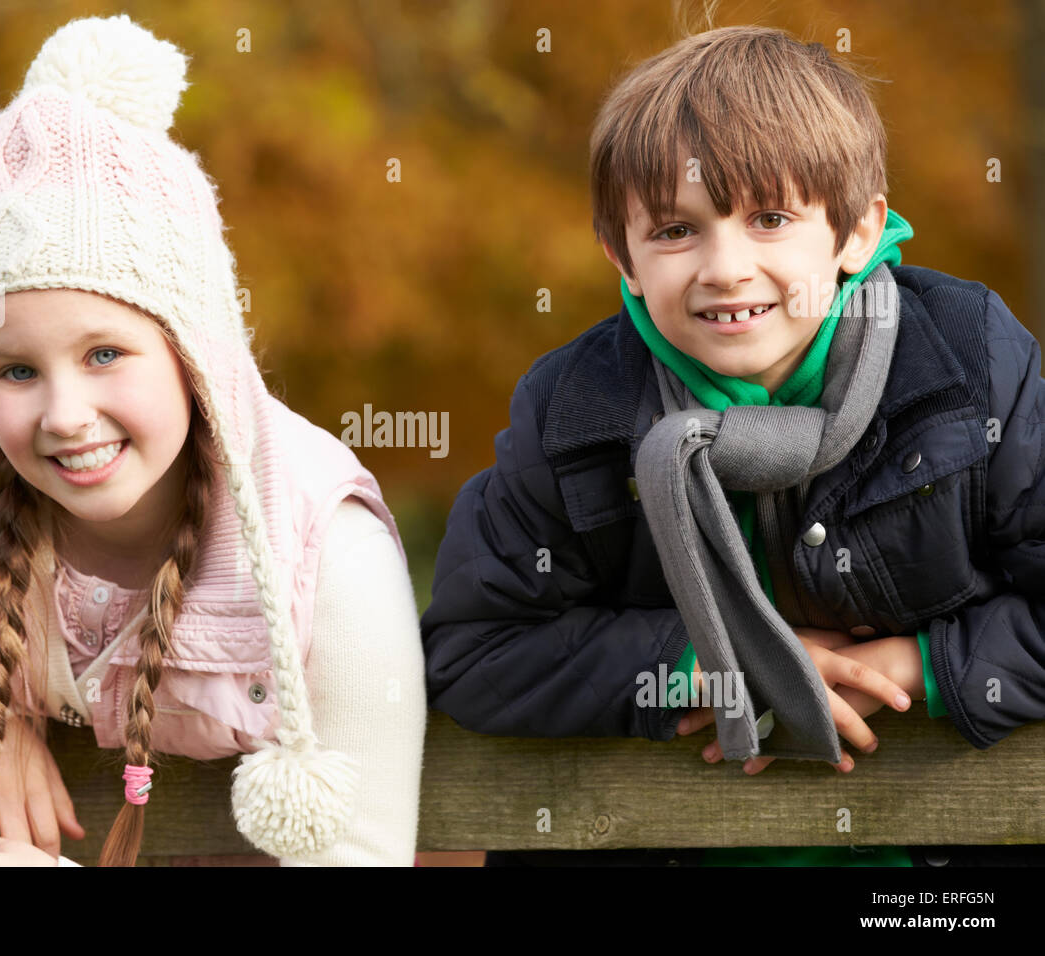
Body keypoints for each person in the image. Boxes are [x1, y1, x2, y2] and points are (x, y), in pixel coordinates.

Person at [0, 14, 424, 867]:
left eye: (105, 353)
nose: (64, 414)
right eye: (15, 371)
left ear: (193, 353)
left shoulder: (328, 555)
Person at [420, 24, 1045, 867]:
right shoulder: (575, 410)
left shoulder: (971, 363)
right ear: (622, 255)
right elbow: (474, 649)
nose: (724, 266)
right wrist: (711, 663)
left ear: (858, 232)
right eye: (676, 231)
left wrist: (920, 666)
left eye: (771, 218)